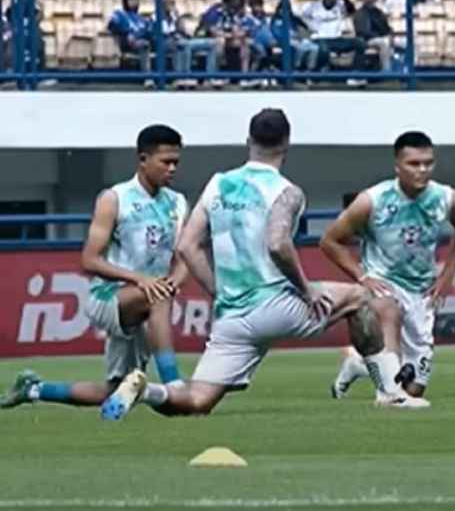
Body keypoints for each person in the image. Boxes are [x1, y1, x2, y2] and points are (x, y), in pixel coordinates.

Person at [100, 110, 429, 419]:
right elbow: (277, 243)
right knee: (364, 297)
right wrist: (307, 288)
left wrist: (217, 291)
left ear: (248, 142)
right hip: (276, 306)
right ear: (287, 144)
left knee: (197, 400)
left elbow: (187, 246)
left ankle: (146, 390)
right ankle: (390, 392)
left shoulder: (218, 183)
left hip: (231, 316)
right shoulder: (287, 191)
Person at [1, 126, 188, 414]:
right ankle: (175, 385)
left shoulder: (177, 202)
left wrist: (175, 281)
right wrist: (141, 280)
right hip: (107, 297)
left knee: (115, 390)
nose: (172, 168)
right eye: (165, 161)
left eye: (176, 161)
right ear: (142, 159)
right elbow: (89, 260)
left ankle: (33, 389)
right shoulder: (114, 199)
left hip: (146, 300)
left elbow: (184, 256)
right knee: (158, 296)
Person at [325, 131, 455, 400]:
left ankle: (359, 364)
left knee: (415, 387)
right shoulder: (372, 201)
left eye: (428, 163)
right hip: (383, 280)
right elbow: (329, 241)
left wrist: (448, 273)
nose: (422, 169)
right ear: (397, 166)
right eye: (414, 164)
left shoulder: (447, 199)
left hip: (422, 290)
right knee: (387, 311)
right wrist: (361, 276)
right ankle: (389, 395)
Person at [300, 0, 356, 68]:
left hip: (337, 38)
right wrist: (309, 28)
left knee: (360, 43)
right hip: (320, 38)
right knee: (324, 49)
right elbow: (300, 17)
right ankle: (320, 71)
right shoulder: (314, 6)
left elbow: (352, 11)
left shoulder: (340, 5)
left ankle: (357, 74)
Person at [353, 0, 403, 72]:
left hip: (381, 38)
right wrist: (383, 37)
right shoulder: (359, 13)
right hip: (367, 41)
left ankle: (407, 71)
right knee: (383, 43)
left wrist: (391, 35)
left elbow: (387, 28)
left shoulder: (378, 12)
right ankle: (387, 72)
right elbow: (363, 32)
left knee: (406, 43)